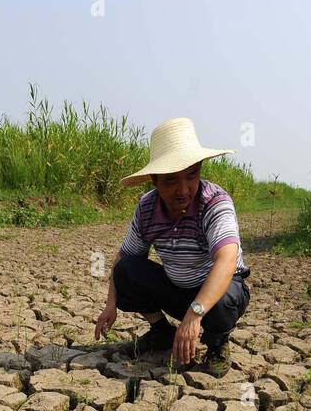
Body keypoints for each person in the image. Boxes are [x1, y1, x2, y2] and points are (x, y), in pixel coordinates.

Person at [94, 117, 250, 377]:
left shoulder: (214, 202)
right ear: (154, 181)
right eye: (171, 181)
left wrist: (195, 314)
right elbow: (125, 258)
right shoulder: (147, 208)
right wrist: (111, 303)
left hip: (216, 296)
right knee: (126, 271)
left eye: (191, 176)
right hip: (177, 291)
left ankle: (217, 345)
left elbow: (227, 259)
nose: (183, 189)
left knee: (226, 296)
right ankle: (162, 332)